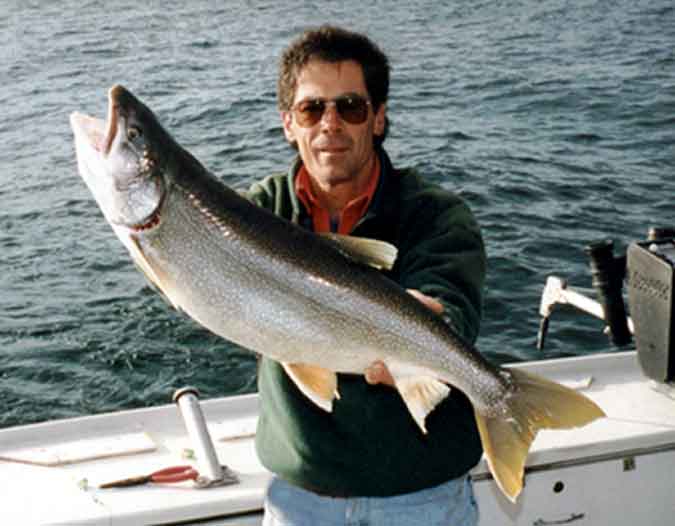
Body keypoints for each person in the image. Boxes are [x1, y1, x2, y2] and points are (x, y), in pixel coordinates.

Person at [246, 25, 486, 526]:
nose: (329, 123)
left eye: (350, 107)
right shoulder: (255, 214)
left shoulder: (436, 214)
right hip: (300, 498)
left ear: (378, 119)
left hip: (423, 495)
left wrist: (434, 318)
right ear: (288, 123)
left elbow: (453, 300)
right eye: (312, 108)